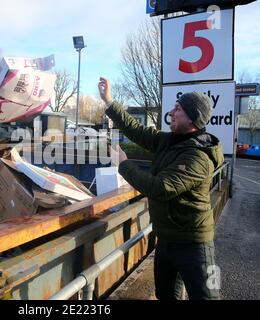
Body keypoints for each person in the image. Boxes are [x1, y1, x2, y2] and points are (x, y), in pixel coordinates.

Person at [98, 77, 224, 300]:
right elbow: (135, 129)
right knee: (165, 295)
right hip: (166, 239)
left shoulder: (198, 157)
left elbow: (160, 188)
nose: (171, 113)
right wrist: (109, 101)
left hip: (194, 244)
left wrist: (124, 165)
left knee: (207, 297)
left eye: (178, 109)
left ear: (193, 119)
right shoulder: (171, 140)